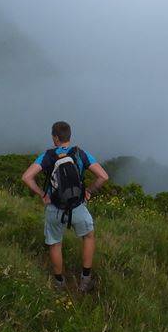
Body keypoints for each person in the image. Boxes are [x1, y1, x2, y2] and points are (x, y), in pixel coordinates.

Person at [21, 121, 109, 292]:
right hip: (77, 207)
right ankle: (85, 280)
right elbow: (103, 176)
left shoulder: (47, 156)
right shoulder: (80, 154)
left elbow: (26, 177)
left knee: (55, 244)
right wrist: (88, 190)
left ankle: (59, 283)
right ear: (69, 136)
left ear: (55, 137)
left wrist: (42, 194)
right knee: (88, 237)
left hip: (55, 207)